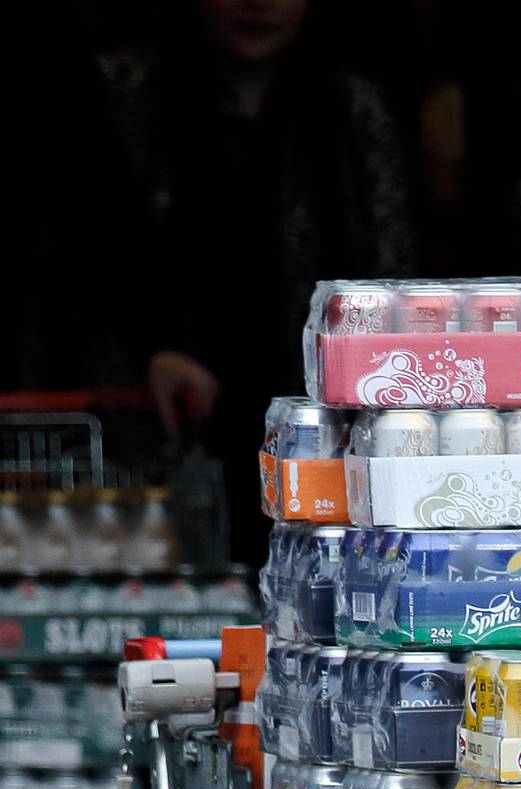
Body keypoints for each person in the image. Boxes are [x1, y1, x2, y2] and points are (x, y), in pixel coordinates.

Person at [101, 0, 415, 563]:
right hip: (168, 416)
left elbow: (392, 275)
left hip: (322, 410)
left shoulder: (351, 109)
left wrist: (367, 382)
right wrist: (152, 344)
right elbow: (93, 248)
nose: (258, 4)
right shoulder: (130, 98)